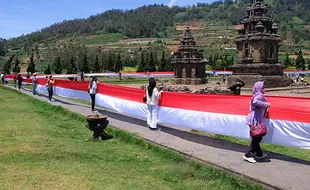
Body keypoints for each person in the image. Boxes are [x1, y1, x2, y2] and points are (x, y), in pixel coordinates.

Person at [243, 81, 271, 163]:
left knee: (256, 137)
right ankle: (248, 155)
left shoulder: (256, 94)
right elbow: (255, 102)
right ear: (259, 88)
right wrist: (267, 104)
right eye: (263, 87)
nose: (264, 89)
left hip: (254, 119)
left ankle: (259, 154)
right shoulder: (259, 95)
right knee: (257, 138)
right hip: (254, 120)